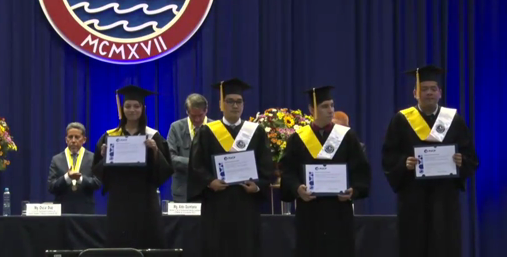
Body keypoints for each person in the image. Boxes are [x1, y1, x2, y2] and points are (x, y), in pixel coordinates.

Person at [381, 65, 479, 257]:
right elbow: (389, 155)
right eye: (424, 89)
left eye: (433, 89)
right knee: (414, 243)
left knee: (444, 243)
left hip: (445, 195)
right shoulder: (401, 120)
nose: (429, 93)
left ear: (440, 93)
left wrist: (462, 161)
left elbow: (470, 155)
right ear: (415, 93)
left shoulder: (453, 120)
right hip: (413, 195)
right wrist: (404, 163)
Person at [279, 86, 371, 257]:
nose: (330, 110)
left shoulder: (347, 137)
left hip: (339, 211)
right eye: (324, 106)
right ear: (312, 109)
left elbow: (360, 170)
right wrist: (297, 188)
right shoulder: (298, 139)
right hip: (309, 212)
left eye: (332, 105)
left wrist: (354, 190)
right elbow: (288, 171)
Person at [187, 78, 274, 257]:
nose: (235, 105)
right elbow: (196, 165)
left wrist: (257, 185)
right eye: (230, 101)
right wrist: (210, 182)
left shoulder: (255, 132)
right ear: (221, 104)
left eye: (239, 101)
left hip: (246, 203)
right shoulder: (207, 132)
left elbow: (266, 165)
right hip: (217, 203)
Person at [92, 85, 173, 249]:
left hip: (145, 197)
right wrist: (104, 156)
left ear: (143, 109)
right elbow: (97, 169)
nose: (132, 110)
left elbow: (165, 169)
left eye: (136, 106)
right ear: (122, 109)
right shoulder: (110, 136)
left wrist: (155, 151)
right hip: (119, 197)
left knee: (147, 239)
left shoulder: (153, 136)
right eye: (128, 106)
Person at [47, 122, 102, 214]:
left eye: (77, 137)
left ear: (84, 140)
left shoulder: (93, 158)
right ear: (66, 140)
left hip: (85, 211)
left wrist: (80, 178)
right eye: (70, 137)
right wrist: (67, 178)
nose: (73, 140)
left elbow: (98, 183)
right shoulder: (56, 159)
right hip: (62, 211)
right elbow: (51, 187)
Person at [167, 93, 211, 202]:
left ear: (206, 111)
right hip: (183, 190)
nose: (197, 119)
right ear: (187, 112)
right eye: (193, 116)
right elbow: (169, 157)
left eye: (200, 115)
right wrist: (195, 164)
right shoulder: (176, 128)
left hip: (209, 190)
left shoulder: (216, 128)